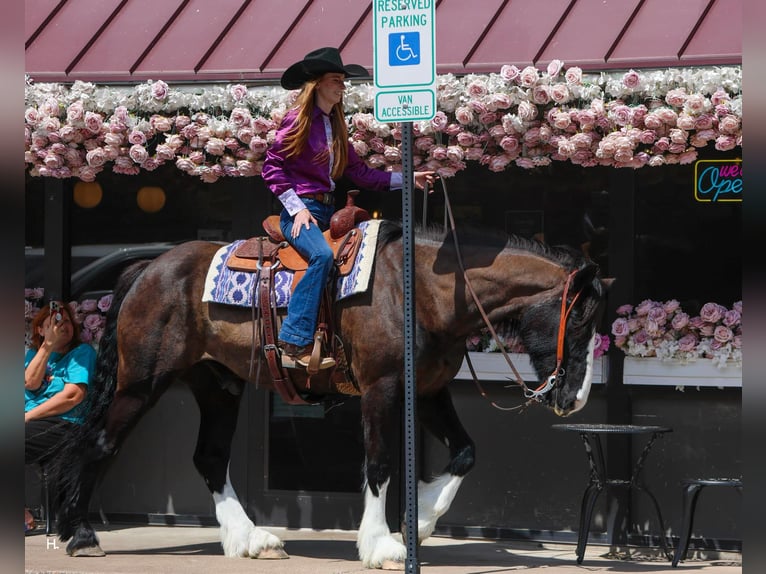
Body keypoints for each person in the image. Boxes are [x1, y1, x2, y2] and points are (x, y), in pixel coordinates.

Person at [261, 47, 437, 370]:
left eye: (343, 81)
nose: (342, 86)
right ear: (317, 84)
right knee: (323, 256)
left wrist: (408, 178)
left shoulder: (337, 127)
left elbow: (361, 174)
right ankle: (293, 340)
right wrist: (296, 208)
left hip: (329, 212)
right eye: (336, 80)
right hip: (300, 213)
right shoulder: (298, 120)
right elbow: (271, 167)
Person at [24, 301, 96, 531]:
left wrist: (26, 418)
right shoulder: (34, 355)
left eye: (66, 321)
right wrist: (47, 346)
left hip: (66, 424)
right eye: (55, 322)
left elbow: (72, 396)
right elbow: (30, 383)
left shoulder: (81, 353)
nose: (62, 326)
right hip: (33, 424)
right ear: (41, 330)